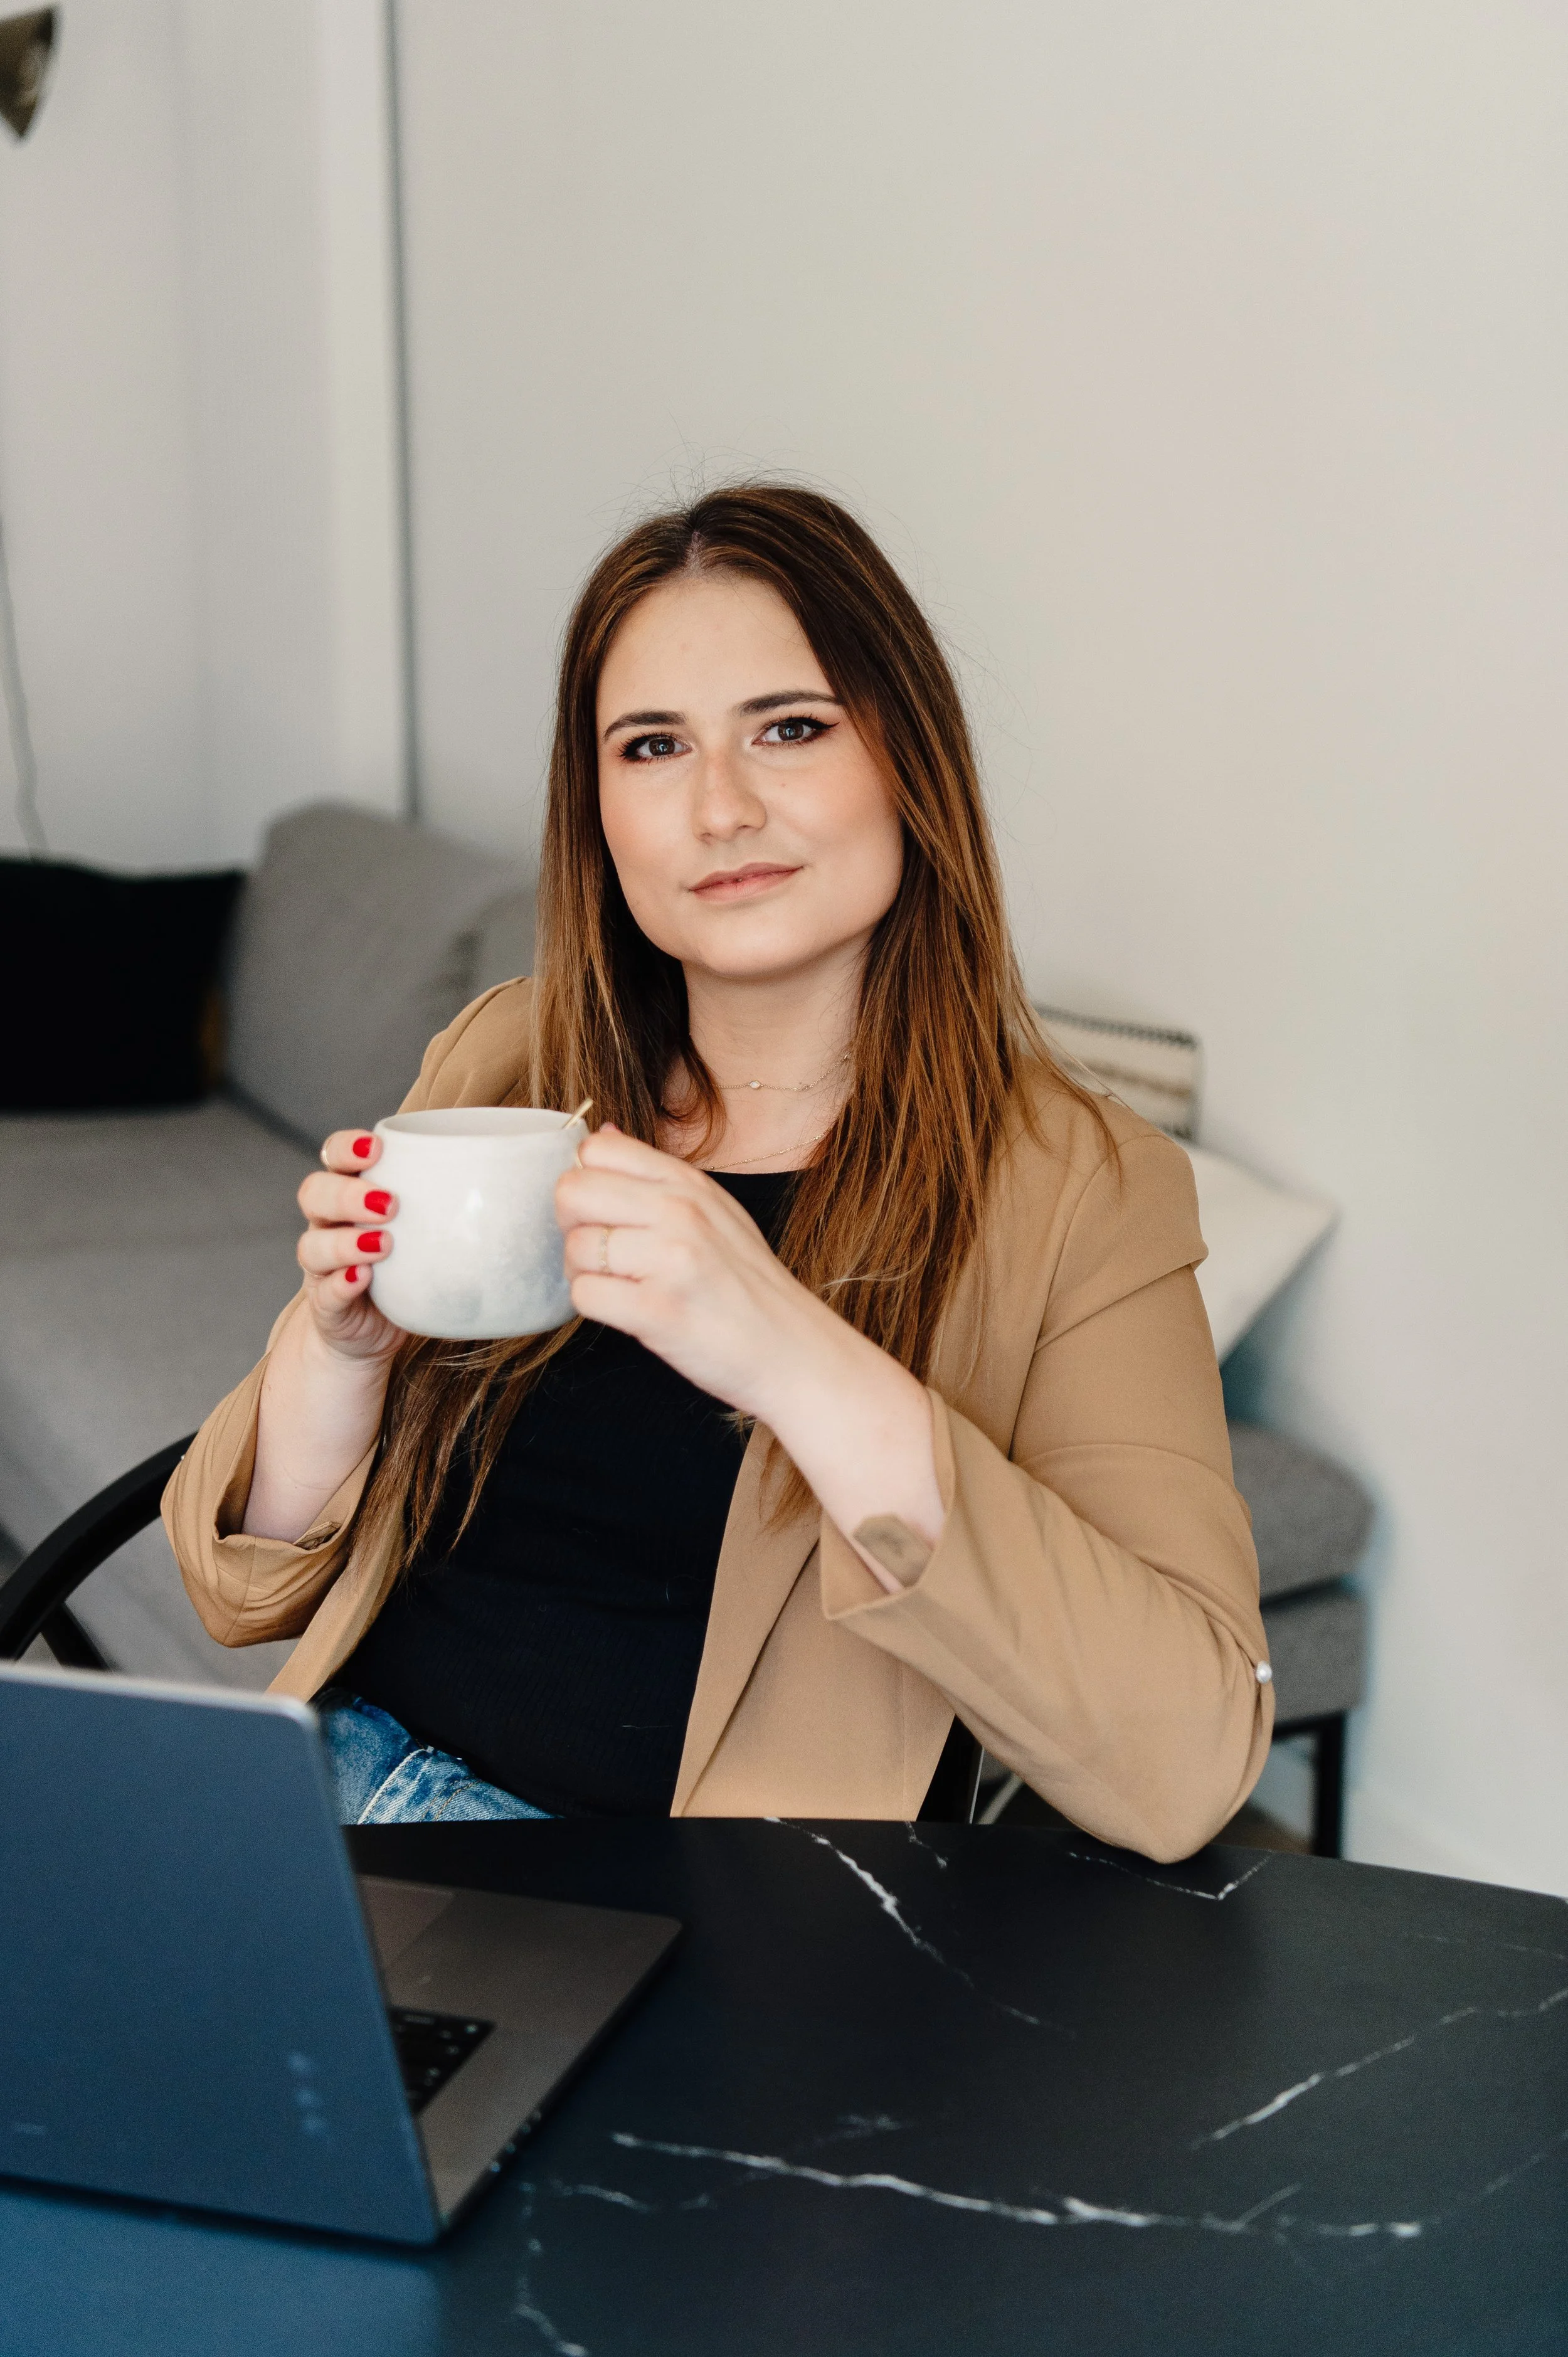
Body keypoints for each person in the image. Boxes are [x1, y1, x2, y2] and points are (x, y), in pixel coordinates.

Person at [164, 485, 1271, 1858]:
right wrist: (342, 1354)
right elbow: (237, 1586)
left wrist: (784, 1349)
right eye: (650, 747)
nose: (719, 807)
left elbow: (1187, 1758)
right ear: (599, 813)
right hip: (322, 1806)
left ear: (906, 762)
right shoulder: (512, 1062)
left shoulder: (1078, 1186)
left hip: (670, 1928)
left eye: (789, 729)